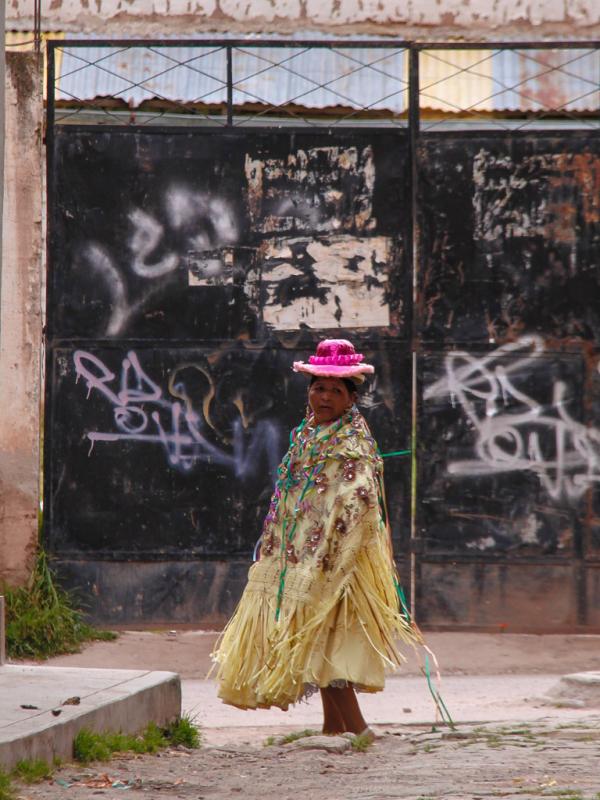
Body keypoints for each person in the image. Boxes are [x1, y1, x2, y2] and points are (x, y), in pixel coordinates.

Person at [211, 338, 421, 737]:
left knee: (326, 637)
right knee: (318, 637)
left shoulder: (352, 442)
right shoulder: (308, 434)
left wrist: (328, 554)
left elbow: (355, 502)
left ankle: (358, 731)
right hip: (303, 557)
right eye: (317, 388)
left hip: (340, 560)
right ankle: (333, 728)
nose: (323, 397)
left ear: (350, 398)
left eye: (334, 391)